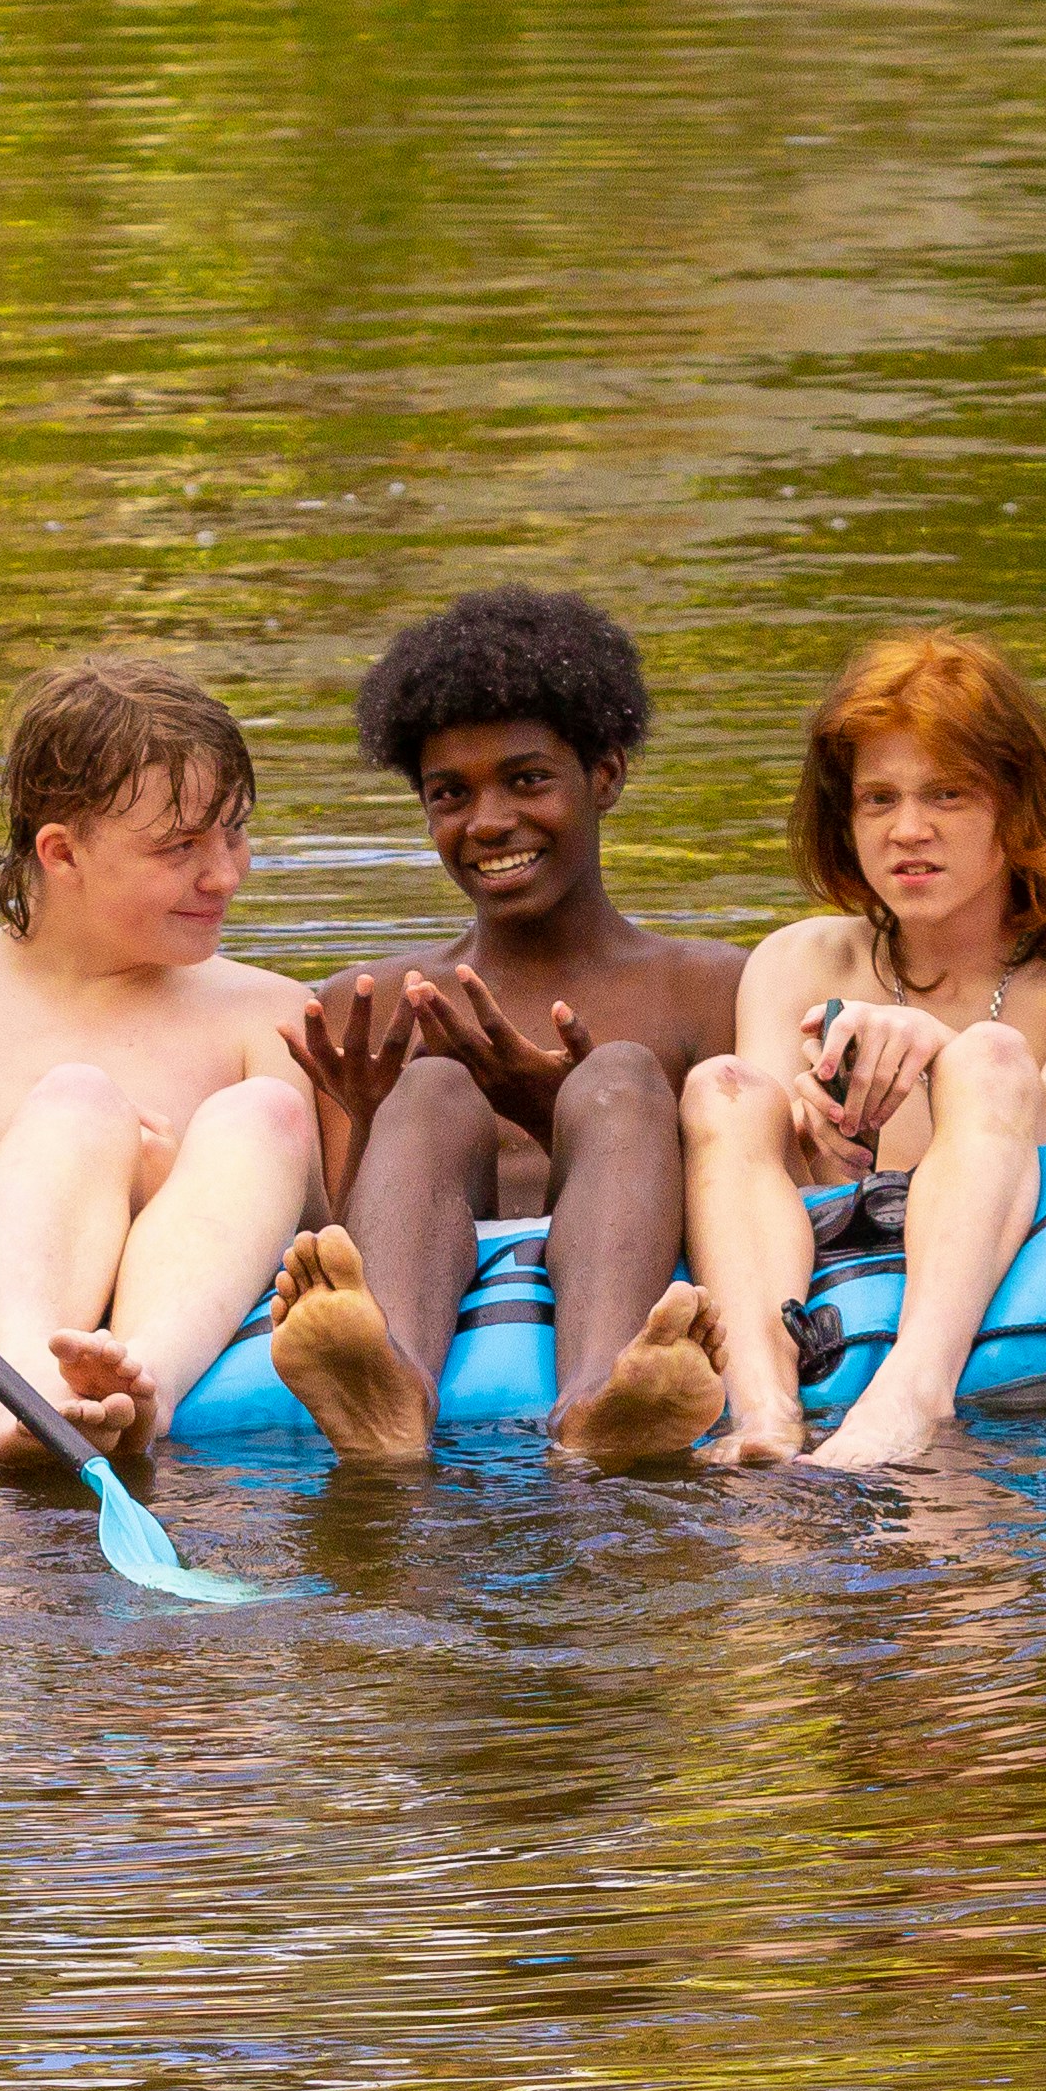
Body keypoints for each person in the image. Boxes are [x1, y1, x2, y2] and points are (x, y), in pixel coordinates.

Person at [263, 587, 752, 1467]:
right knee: (431, 1084)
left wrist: (552, 1109)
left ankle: (604, 1396)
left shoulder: (709, 989)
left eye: (527, 780)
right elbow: (328, 1241)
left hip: (622, 1272)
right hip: (415, 1282)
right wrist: (368, 1113)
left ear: (604, 776)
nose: (488, 823)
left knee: (619, 1079)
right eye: (451, 794)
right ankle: (391, 1388)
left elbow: (761, 1185)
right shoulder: (364, 1004)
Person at [0, 658, 321, 1465]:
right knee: (79, 1105)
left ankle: (146, 1391)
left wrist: (166, 1182)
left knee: (262, 1115)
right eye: (179, 847)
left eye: (235, 831)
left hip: (177, 1332)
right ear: (62, 853)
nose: (226, 874)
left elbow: (304, 1241)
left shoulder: (269, 1014)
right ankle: (23, 1389)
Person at [675, 631, 1046, 1472]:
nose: (908, 830)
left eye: (947, 794)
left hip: (1023, 1256)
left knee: (989, 1056)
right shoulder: (799, 962)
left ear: (1016, 809)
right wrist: (810, 1118)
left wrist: (941, 1050)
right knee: (720, 1085)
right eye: (878, 800)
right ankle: (762, 1408)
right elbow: (767, 1157)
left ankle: (916, 1392)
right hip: (828, 1251)